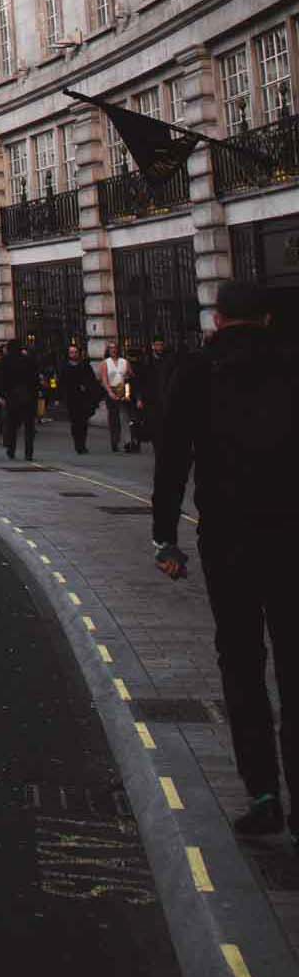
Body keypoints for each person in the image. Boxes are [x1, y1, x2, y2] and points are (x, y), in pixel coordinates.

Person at [151, 281, 297, 840]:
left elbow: (172, 459)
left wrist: (165, 536)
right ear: (264, 318)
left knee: (240, 661)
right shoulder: (290, 364)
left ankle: (262, 793)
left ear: (217, 318)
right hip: (290, 533)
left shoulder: (198, 369)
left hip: (228, 538)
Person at [130, 335, 177, 456]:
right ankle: (158, 451)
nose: (159, 347)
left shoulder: (169, 360)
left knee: (166, 427)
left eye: (161, 345)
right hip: (150, 399)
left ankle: (165, 449)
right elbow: (138, 381)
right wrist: (139, 398)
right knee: (154, 427)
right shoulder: (146, 362)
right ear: (153, 346)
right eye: (157, 345)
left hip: (165, 398)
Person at [58, 339, 104, 453]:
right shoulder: (65, 367)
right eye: (71, 352)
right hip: (71, 398)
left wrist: (87, 388)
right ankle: (78, 443)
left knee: (83, 422)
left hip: (83, 398)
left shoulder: (84, 366)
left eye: (75, 352)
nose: (73, 354)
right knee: (75, 422)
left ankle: (82, 443)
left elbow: (92, 381)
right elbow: (62, 383)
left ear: (79, 353)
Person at [1, 338, 41, 460]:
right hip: (28, 396)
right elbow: (35, 379)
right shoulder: (28, 360)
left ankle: (11, 450)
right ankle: (28, 453)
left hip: (12, 397)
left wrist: (3, 396)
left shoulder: (6, 361)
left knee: (12, 426)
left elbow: (3, 380)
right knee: (29, 427)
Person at [98, 341, 132, 453]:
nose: (113, 350)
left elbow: (129, 378)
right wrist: (110, 392)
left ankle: (128, 441)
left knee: (125, 417)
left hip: (123, 390)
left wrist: (126, 394)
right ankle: (115, 441)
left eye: (115, 348)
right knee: (114, 418)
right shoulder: (105, 363)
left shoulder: (124, 362)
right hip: (111, 390)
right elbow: (104, 380)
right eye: (111, 348)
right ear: (108, 350)